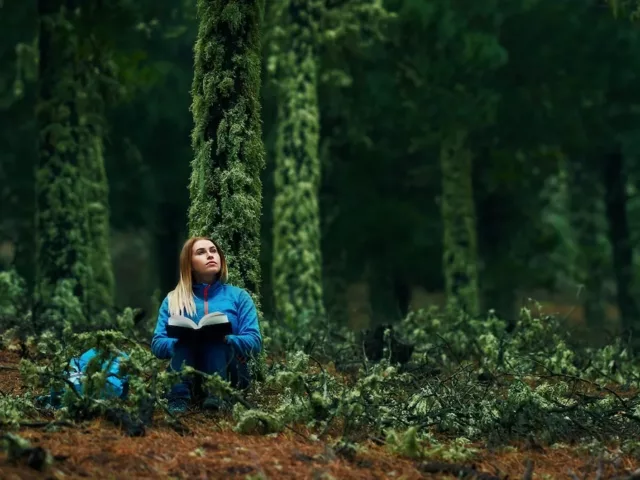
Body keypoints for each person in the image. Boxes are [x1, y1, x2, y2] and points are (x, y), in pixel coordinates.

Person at [151, 236, 262, 413]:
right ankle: (178, 400)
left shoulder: (239, 296)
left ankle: (217, 399)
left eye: (213, 251)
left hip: (230, 374)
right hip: (187, 371)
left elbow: (255, 341)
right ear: (189, 264)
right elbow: (157, 344)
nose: (210, 256)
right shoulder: (173, 299)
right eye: (201, 252)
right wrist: (177, 342)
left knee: (215, 343)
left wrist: (228, 339)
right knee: (183, 344)